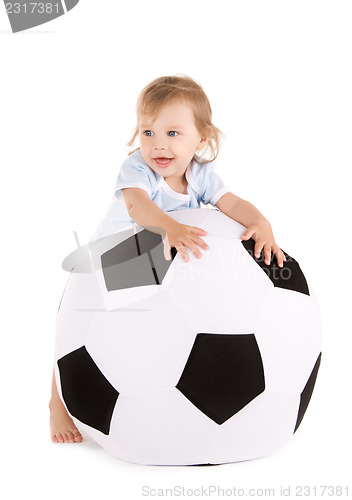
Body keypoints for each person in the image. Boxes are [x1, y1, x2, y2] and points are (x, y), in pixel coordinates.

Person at [49, 75, 286, 443]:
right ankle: (58, 404)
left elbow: (233, 204)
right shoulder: (137, 170)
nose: (158, 144)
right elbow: (137, 206)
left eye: (173, 133)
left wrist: (261, 223)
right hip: (112, 260)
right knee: (76, 329)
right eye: (148, 132)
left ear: (201, 140)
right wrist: (169, 226)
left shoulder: (200, 174)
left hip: (161, 262)